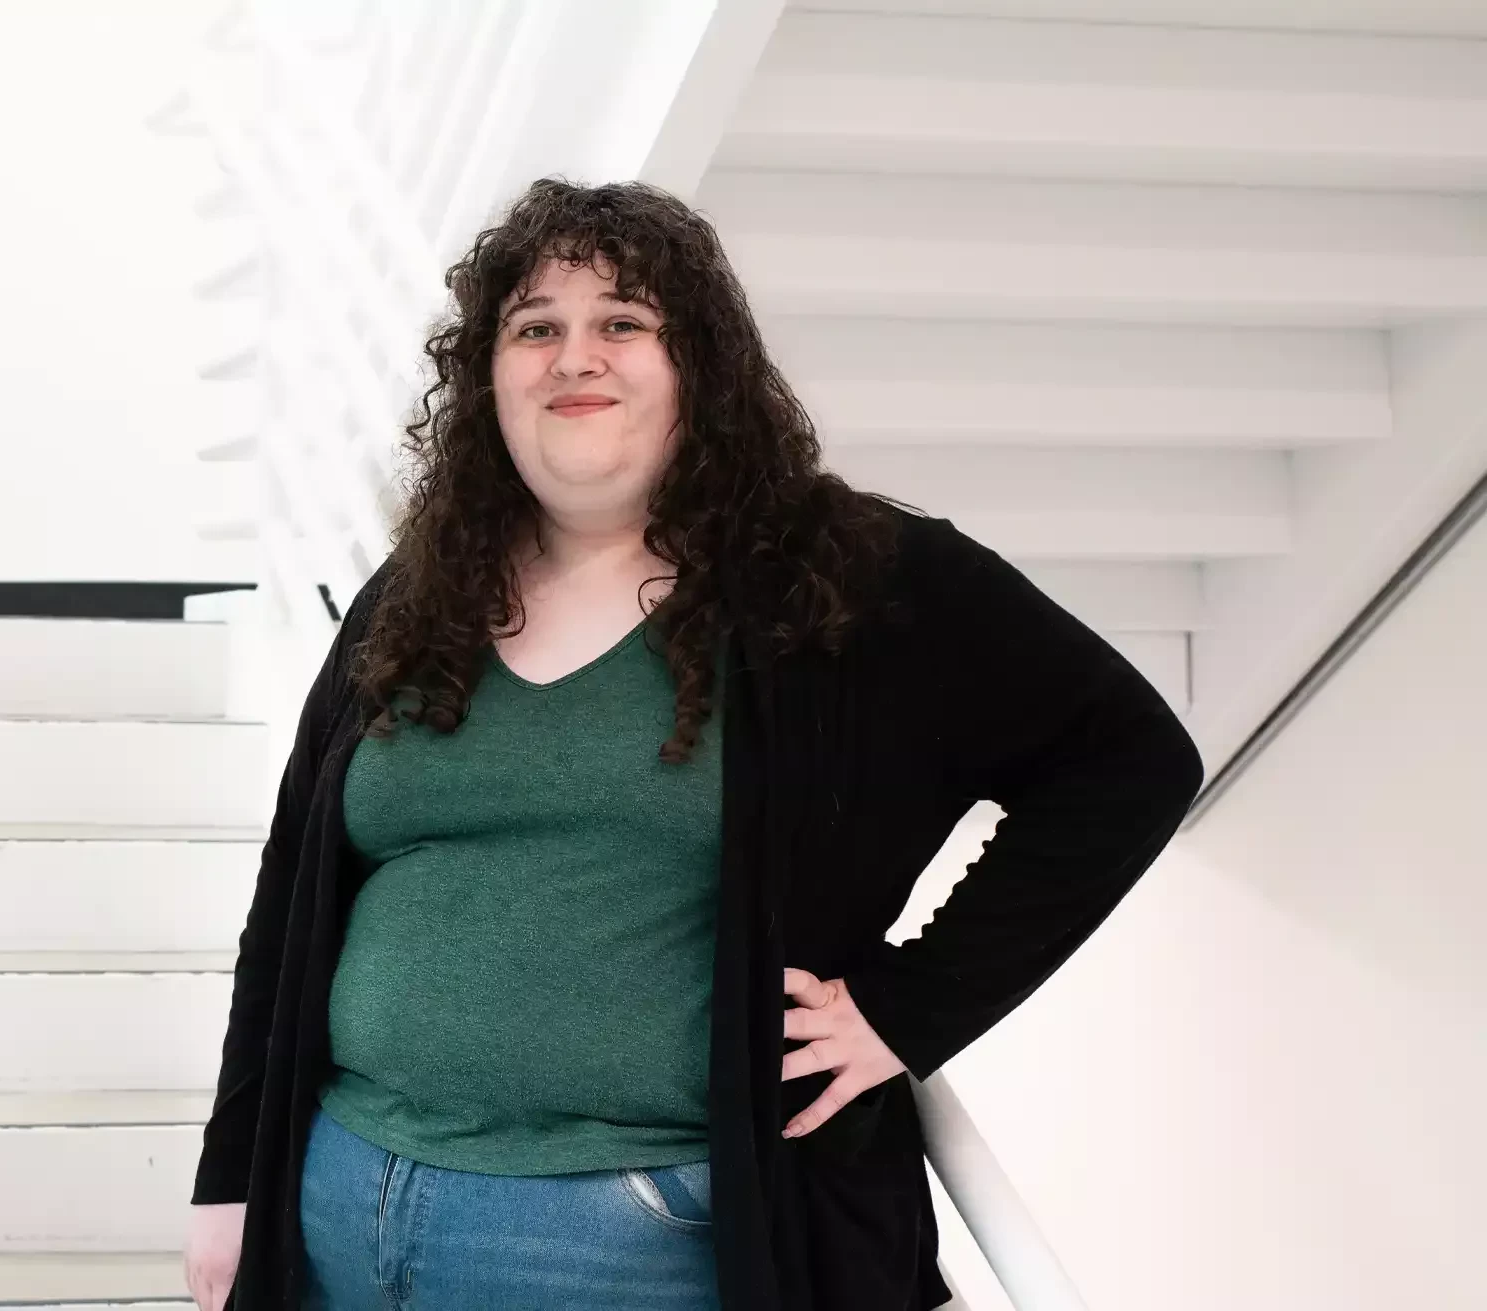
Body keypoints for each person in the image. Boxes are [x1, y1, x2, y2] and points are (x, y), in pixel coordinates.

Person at [180, 179, 1203, 1311]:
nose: (575, 357)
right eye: (535, 328)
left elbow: (1128, 758)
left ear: (697, 368)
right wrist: (232, 1182)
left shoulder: (849, 577)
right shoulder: (415, 597)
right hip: (340, 1198)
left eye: (622, 322)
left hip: (636, 1242)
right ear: (490, 380)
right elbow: (289, 899)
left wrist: (907, 1010)